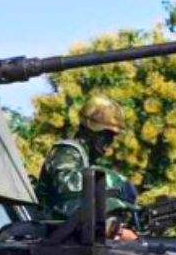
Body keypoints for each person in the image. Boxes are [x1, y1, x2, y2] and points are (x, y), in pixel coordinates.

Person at [35, 94, 138, 239]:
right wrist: (116, 180)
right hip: (52, 233)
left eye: (113, 136)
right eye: (107, 135)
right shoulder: (66, 150)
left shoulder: (86, 159)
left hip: (67, 234)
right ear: (91, 130)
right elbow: (68, 184)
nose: (110, 142)